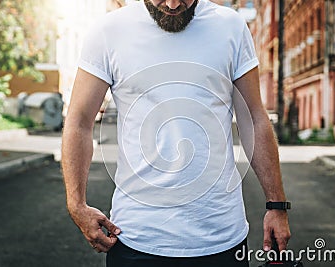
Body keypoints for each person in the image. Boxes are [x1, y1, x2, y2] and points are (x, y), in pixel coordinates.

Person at [61, 0, 291, 266]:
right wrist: (76, 205)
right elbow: (79, 121)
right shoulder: (109, 31)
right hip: (136, 238)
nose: (172, 4)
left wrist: (277, 205)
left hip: (220, 238)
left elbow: (253, 118)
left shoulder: (231, 27)